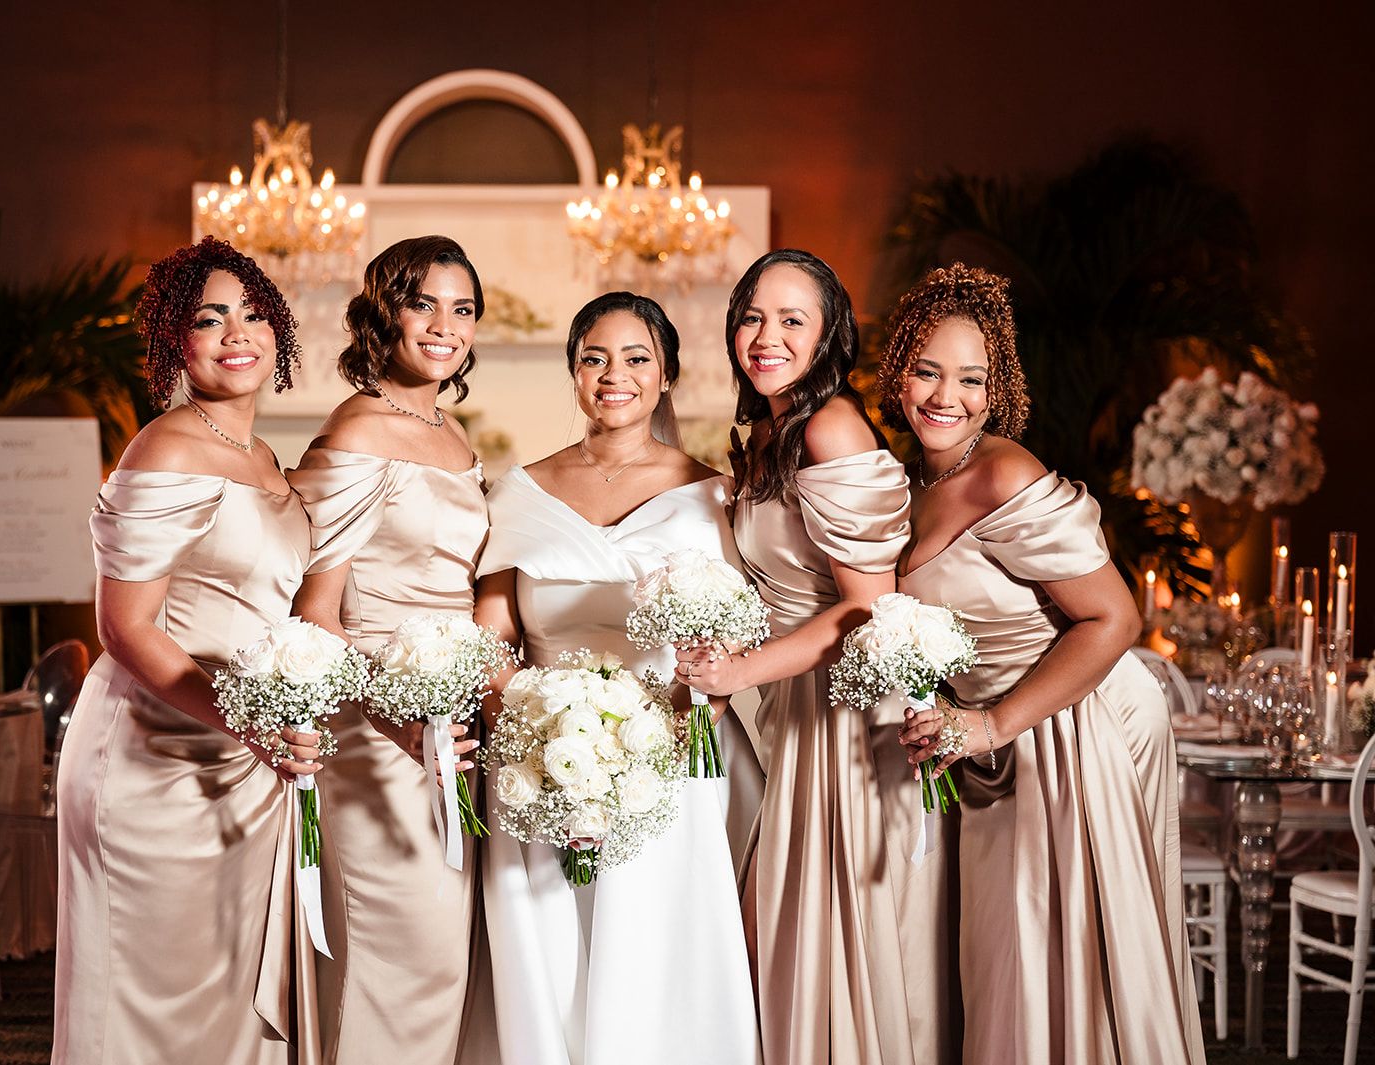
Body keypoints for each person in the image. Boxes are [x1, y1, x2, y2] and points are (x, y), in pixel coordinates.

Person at [888, 263, 1204, 1063]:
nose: (946, 396)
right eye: (927, 370)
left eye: (971, 378)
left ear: (995, 389)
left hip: (1068, 722)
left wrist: (991, 722)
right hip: (989, 744)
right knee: (1004, 961)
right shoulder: (909, 478)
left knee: (1055, 957)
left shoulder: (1004, 472)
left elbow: (1115, 616)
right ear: (897, 371)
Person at [471, 292, 762, 1065]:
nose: (614, 375)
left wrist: (673, 725)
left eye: (637, 358)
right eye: (594, 358)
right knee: (551, 951)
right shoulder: (521, 491)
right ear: (573, 372)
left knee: (655, 955)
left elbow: (733, 632)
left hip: (669, 748)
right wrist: (531, 727)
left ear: (666, 375)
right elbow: (494, 631)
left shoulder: (712, 494)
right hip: (539, 753)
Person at [53, 237, 321, 1065]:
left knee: (227, 1002)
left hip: (246, 758)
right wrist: (250, 722)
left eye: (253, 314)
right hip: (155, 754)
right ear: (177, 339)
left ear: (278, 330)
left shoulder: (266, 457)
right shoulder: (164, 448)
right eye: (210, 319)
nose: (237, 333)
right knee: (149, 1004)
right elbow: (125, 628)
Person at [677, 249, 948, 1065]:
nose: (767, 336)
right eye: (752, 317)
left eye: (792, 319)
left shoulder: (830, 426)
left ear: (829, 335)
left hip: (847, 715)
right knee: (780, 936)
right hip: (795, 704)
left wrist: (738, 672)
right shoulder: (770, 432)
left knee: (820, 940)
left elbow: (869, 606)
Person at [288, 235, 488, 1065]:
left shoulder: (453, 432)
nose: (445, 326)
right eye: (423, 304)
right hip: (375, 729)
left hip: (452, 723)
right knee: (397, 950)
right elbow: (314, 611)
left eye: (462, 309)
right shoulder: (361, 428)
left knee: (444, 959)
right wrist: (395, 717)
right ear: (384, 315)